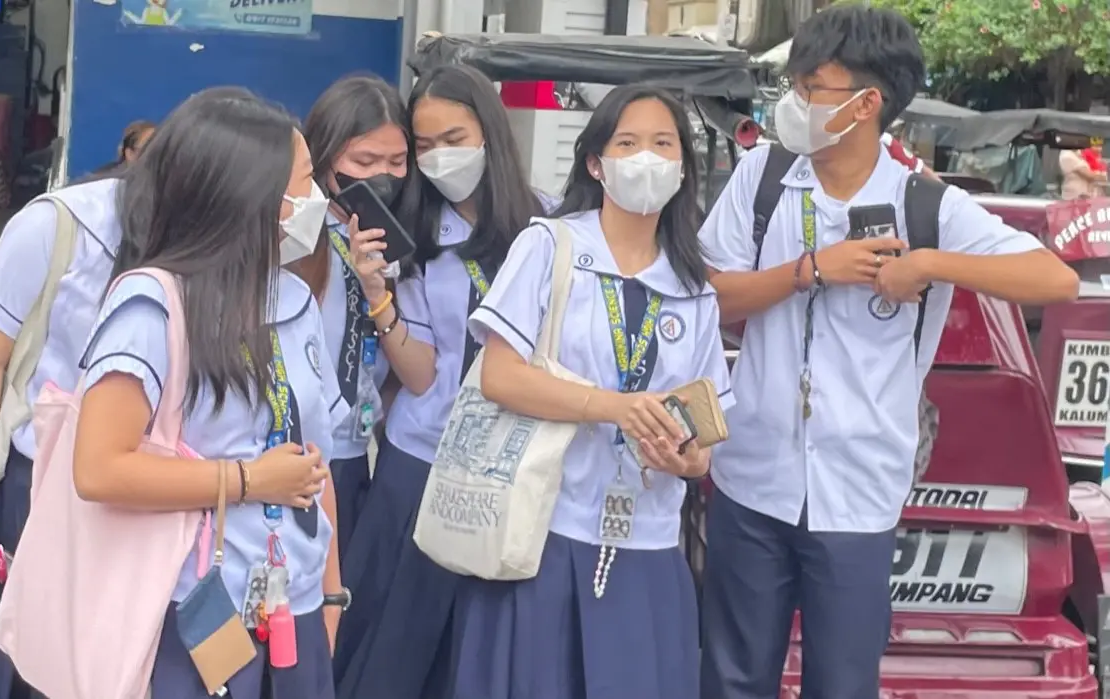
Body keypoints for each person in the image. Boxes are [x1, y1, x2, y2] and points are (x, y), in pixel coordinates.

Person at [697, 7, 1079, 699]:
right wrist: (811, 268)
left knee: (842, 684)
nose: (795, 103)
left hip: (858, 495)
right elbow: (710, 298)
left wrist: (931, 263)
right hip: (751, 480)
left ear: (867, 103)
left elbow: (1056, 278)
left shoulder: (926, 203)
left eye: (813, 87)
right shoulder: (763, 178)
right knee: (730, 678)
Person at [0, 87, 247, 699]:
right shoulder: (58, 225)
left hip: (135, 496)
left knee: (96, 666)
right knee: (10, 665)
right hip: (34, 484)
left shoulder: (215, 254)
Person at [449, 83, 731, 699]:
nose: (647, 159)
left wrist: (684, 459)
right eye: (627, 143)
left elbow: (704, 443)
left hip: (650, 549)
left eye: (663, 144)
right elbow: (499, 375)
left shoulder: (695, 287)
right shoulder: (551, 246)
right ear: (596, 164)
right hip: (544, 537)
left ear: (684, 168)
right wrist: (615, 408)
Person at [71, 88, 348, 697]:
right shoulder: (152, 305)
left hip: (292, 610)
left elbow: (316, 467)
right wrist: (248, 480)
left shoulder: (297, 301)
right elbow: (97, 469)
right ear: (251, 197)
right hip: (192, 612)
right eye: (305, 182)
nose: (319, 202)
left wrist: (329, 595)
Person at [333, 64, 548, 699]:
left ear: (489, 133)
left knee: (478, 656)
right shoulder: (418, 236)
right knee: (390, 649)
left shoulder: (548, 228)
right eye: (423, 146)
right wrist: (381, 296)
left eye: (453, 138)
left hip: (510, 468)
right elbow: (421, 373)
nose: (437, 158)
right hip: (422, 464)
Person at [296, 75, 407, 560]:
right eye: (364, 162)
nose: (382, 175)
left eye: (398, 162)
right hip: (298, 458)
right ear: (325, 159)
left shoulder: (398, 245)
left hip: (358, 454)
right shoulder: (295, 239)